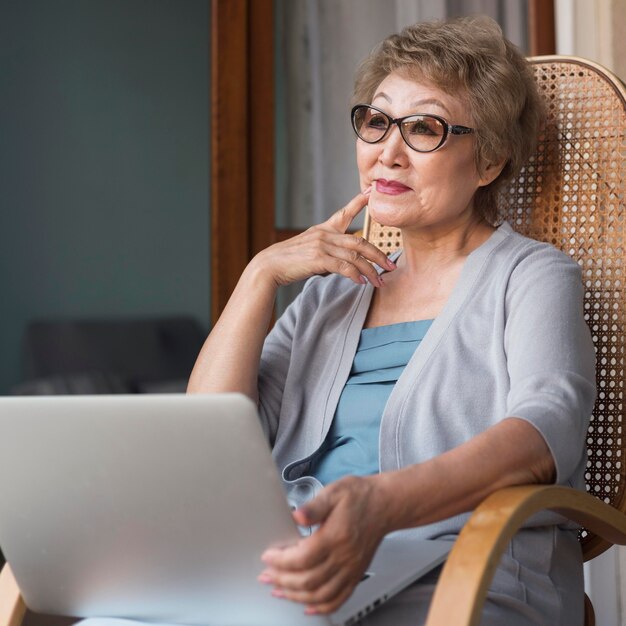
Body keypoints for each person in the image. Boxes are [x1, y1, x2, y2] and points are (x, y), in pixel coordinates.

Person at [188, 15, 596, 626]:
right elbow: (209, 441)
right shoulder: (331, 295)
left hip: (461, 570)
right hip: (293, 573)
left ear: (487, 163)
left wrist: (382, 506)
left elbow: (545, 433)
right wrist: (260, 275)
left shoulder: (532, 276)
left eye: (424, 128)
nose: (387, 152)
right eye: (377, 121)